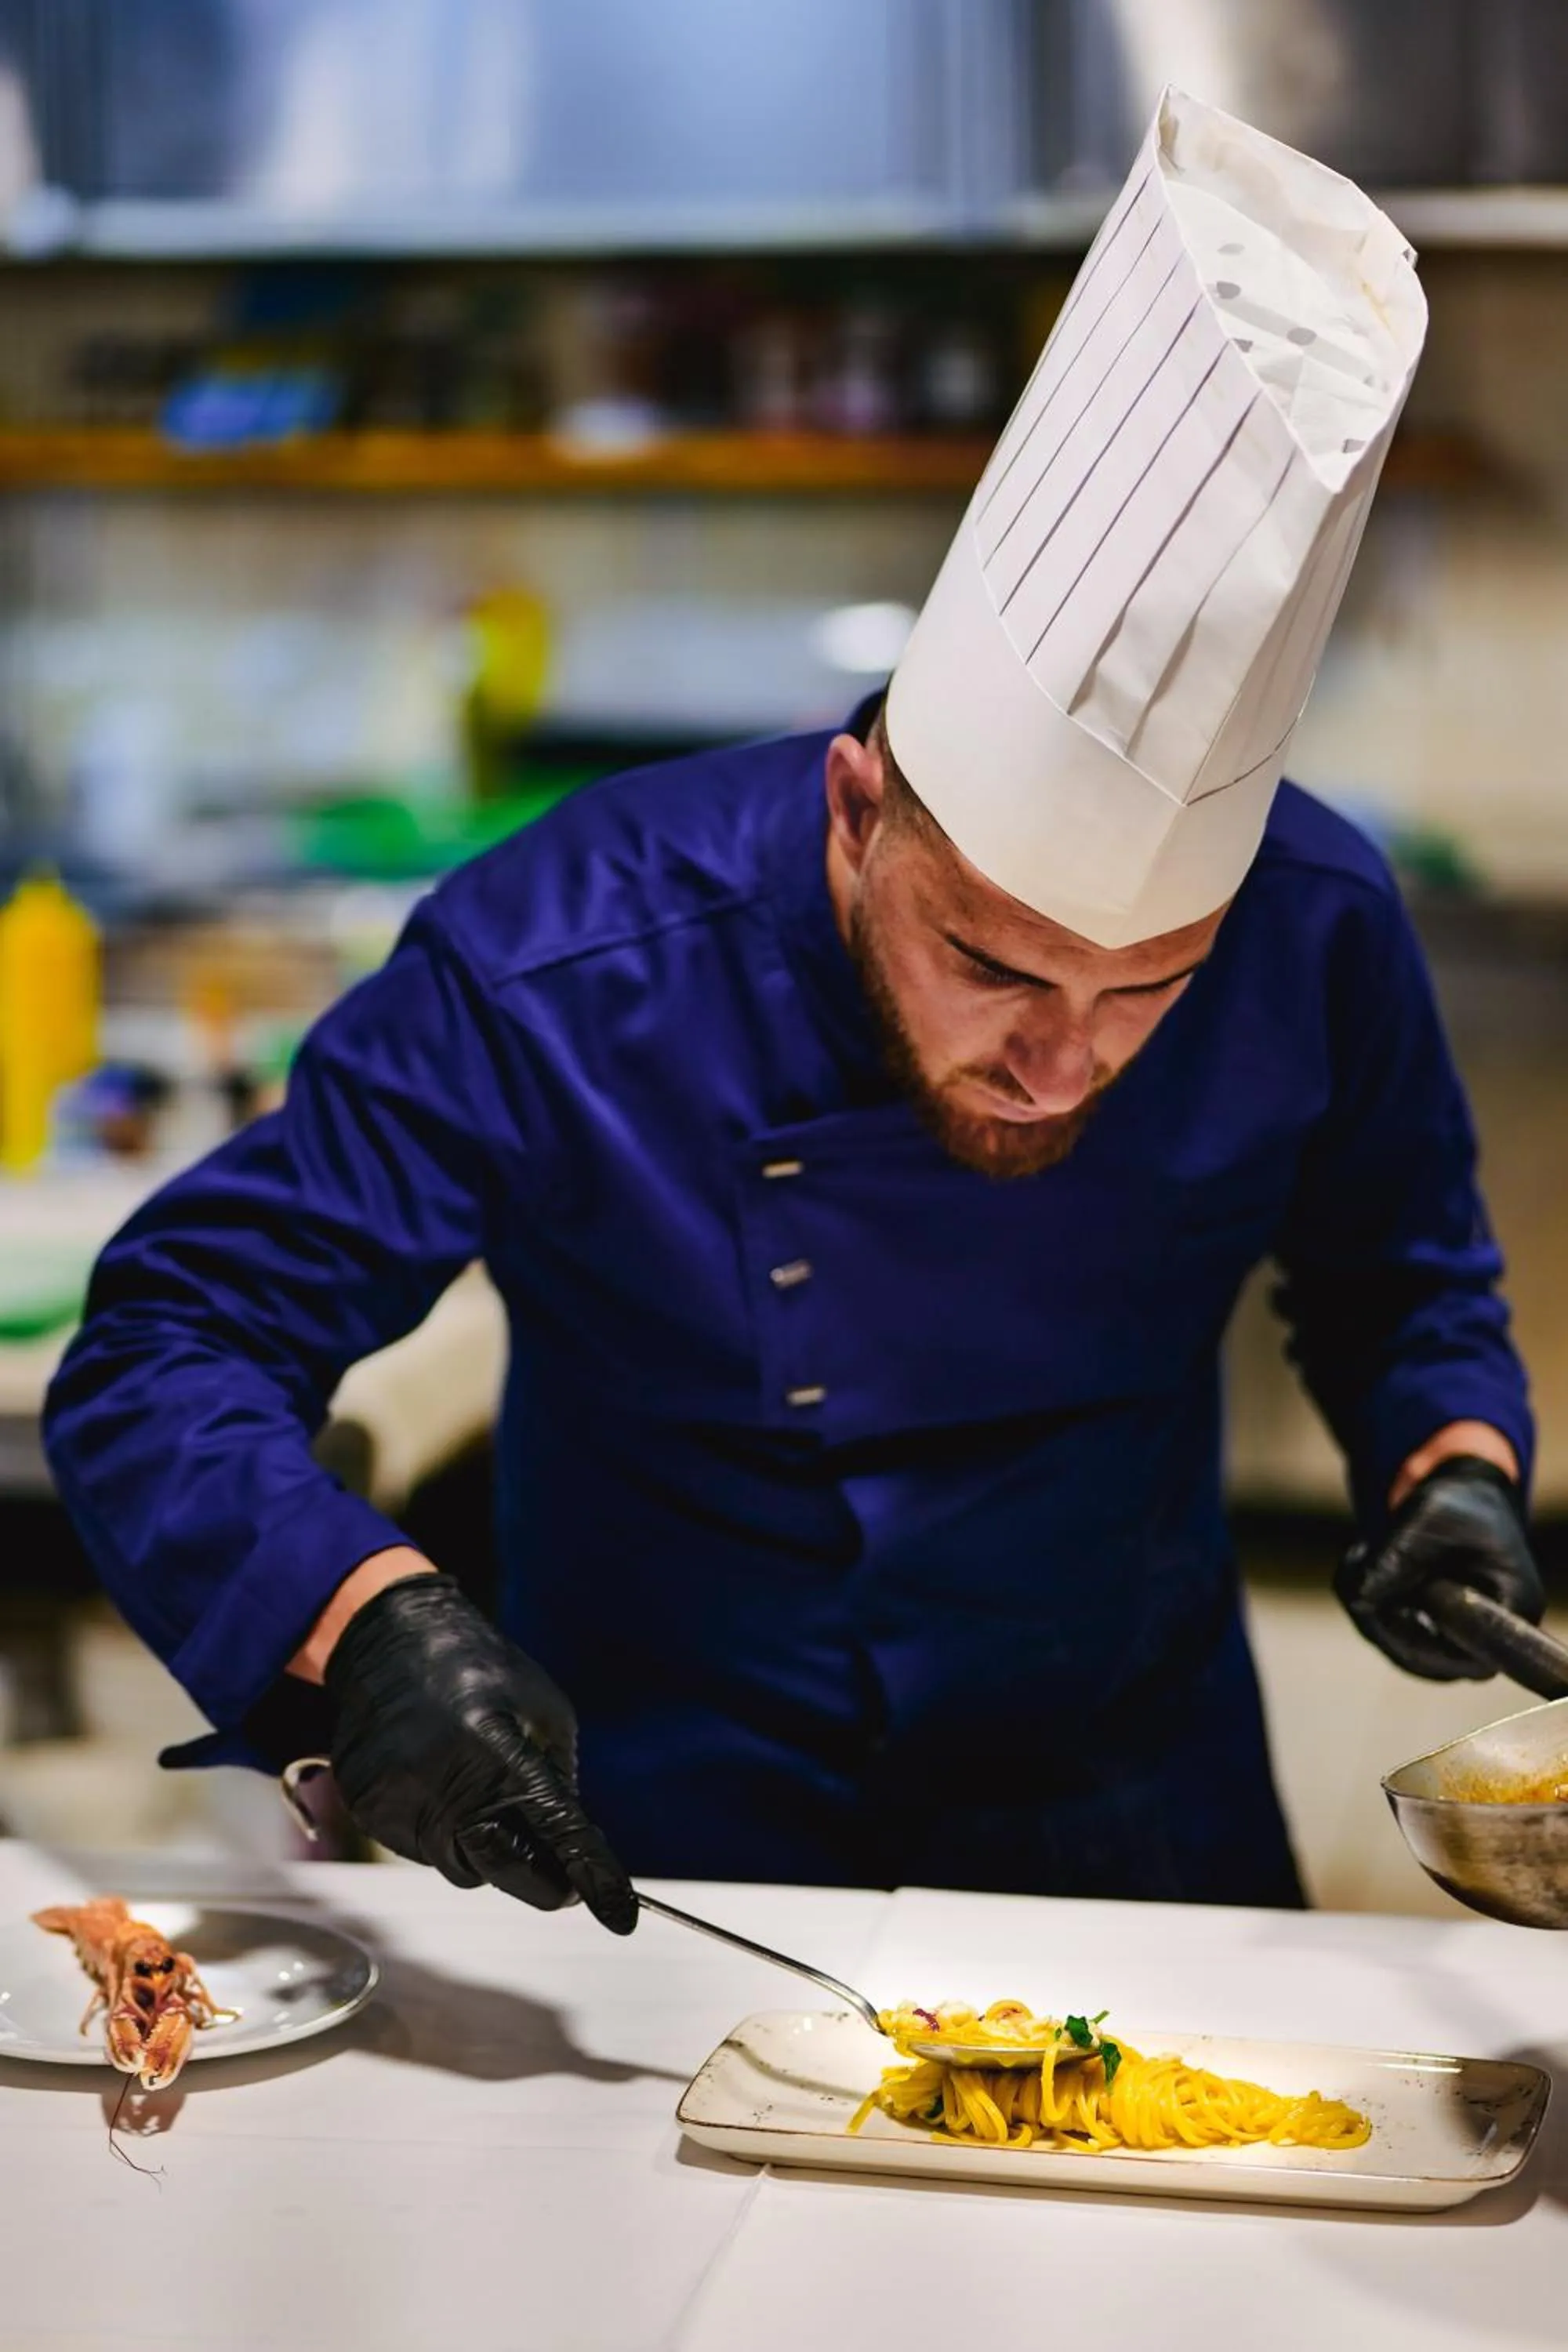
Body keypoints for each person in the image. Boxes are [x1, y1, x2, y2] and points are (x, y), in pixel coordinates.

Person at [45, 93, 1539, 1933]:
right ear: (856, 814)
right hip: (658, 1840)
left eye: (1147, 988)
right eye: (993, 965)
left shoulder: (1313, 921)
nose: (1065, 1054)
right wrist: (363, 1622)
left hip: (1140, 1819)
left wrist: (1446, 1467)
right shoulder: (557, 963)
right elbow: (174, 1341)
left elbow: (1402, 1272)